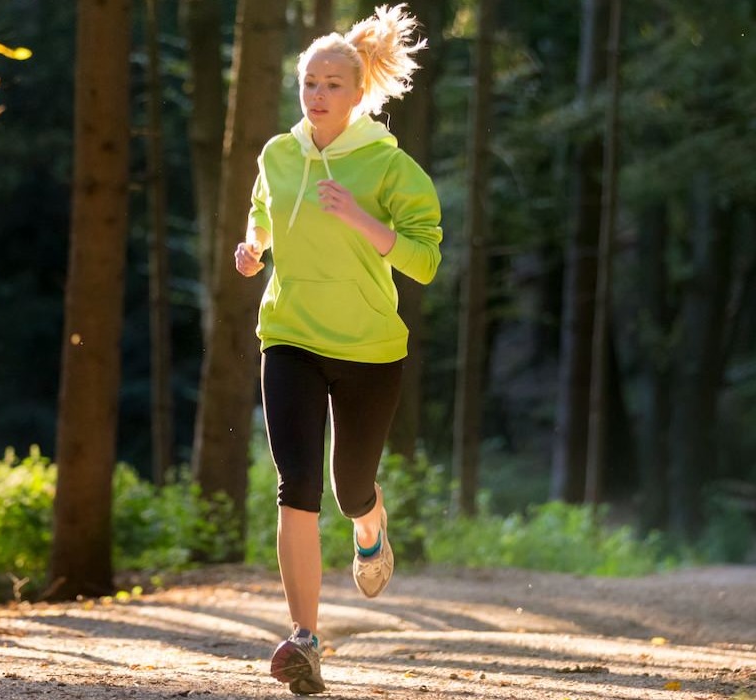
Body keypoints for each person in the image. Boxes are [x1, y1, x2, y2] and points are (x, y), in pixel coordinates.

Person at [232, 4, 442, 695]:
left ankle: (371, 522)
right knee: (296, 487)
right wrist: (253, 248)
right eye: (309, 82)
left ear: (358, 94)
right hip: (289, 334)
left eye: (332, 85)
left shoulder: (389, 166)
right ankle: (306, 639)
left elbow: (425, 261)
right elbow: (265, 211)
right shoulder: (277, 153)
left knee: (349, 486)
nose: (317, 95)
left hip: (369, 348)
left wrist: (359, 218)